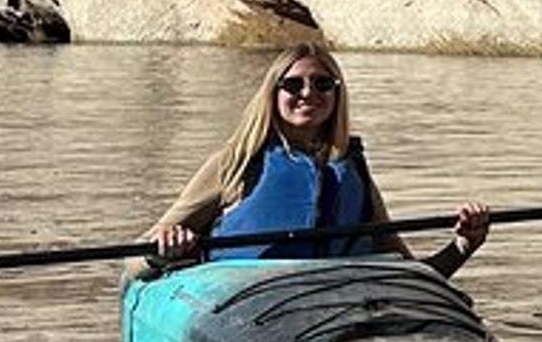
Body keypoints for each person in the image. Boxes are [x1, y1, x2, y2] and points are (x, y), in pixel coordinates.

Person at [139, 43, 489, 278]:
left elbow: (412, 273)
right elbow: (133, 261)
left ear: (337, 94)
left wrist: (464, 245)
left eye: (323, 84)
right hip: (246, 306)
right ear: (273, 94)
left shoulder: (352, 172)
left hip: (335, 307)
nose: (309, 93)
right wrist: (162, 251)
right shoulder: (235, 163)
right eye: (293, 85)